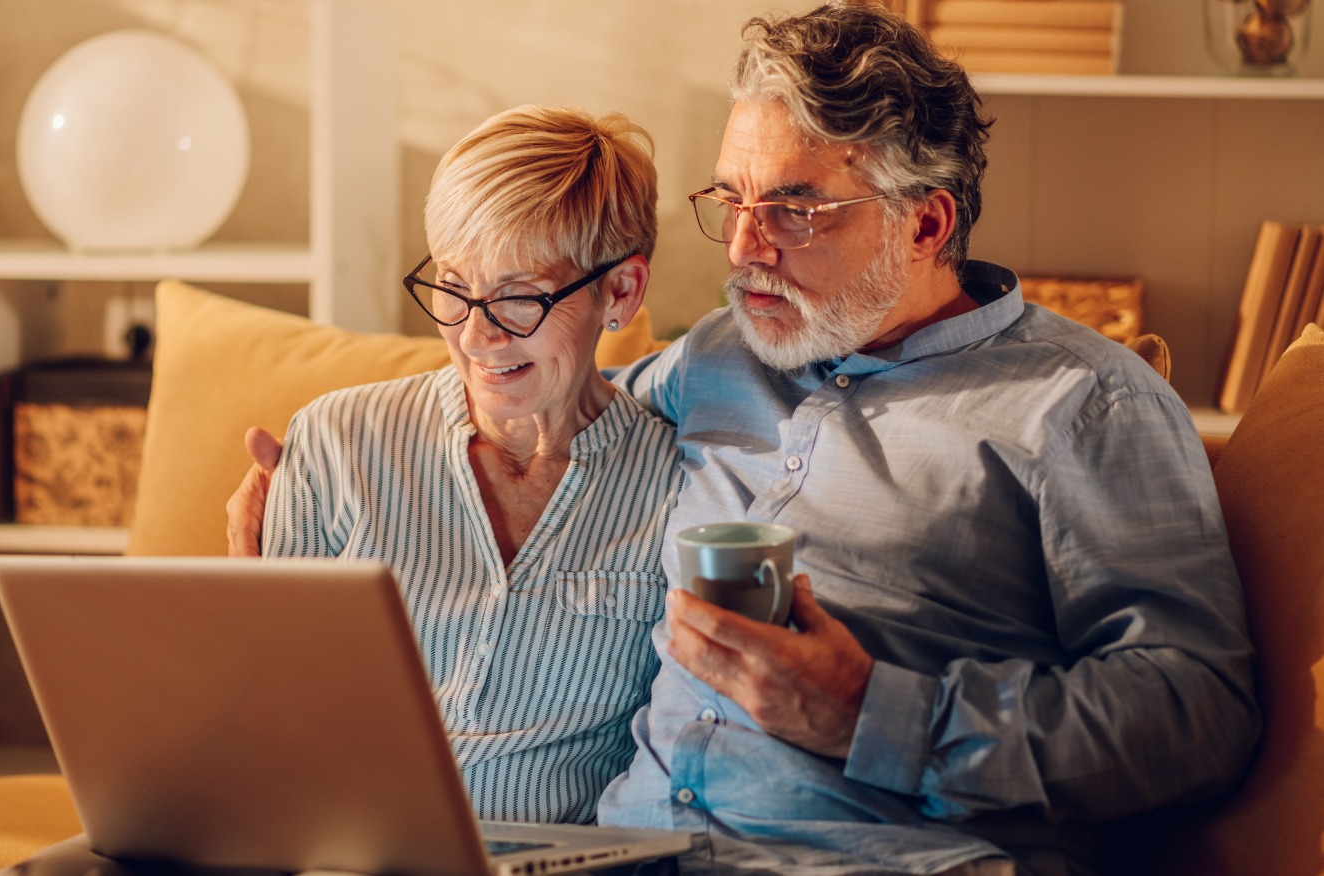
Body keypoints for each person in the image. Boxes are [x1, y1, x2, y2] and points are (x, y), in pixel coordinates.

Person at [229, 5, 1259, 873]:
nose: (746, 248)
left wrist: (872, 715)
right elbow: (538, 371)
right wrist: (322, 496)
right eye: (732, 200)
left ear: (928, 224)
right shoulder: (724, 352)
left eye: (799, 210)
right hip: (628, 856)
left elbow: (1198, 713)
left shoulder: (1083, 403)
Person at [247, 105, 682, 826]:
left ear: (622, 292)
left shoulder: (676, 485)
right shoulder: (335, 440)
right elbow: (267, 709)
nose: (476, 334)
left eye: (518, 298)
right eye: (452, 288)